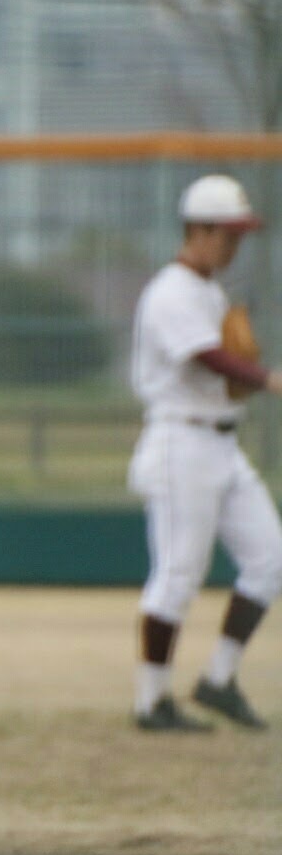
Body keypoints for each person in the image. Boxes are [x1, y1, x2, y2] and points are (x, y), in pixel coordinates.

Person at [127, 173, 282, 732]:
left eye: (241, 234)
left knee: (269, 558)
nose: (236, 244)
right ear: (198, 230)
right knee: (178, 575)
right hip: (179, 443)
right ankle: (151, 701)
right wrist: (267, 378)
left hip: (221, 441)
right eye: (228, 233)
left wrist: (251, 380)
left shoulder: (211, 292)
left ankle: (218, 680)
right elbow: (211, 360)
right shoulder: (169, 291)